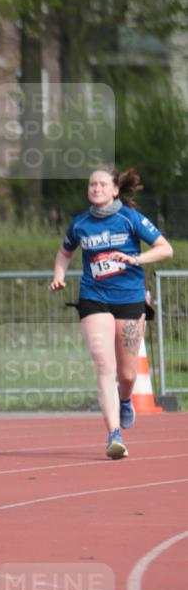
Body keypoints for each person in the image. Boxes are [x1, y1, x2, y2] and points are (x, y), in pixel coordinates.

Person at [49, 167, 173, 459]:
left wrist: (135, 258)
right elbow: (64, 253)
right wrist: (58, 275)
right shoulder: (80, 223)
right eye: (92, 184)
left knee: (127, 373)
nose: (96, 188)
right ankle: (114, 435)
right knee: (104, 365)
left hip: (129, 300)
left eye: (102, 184)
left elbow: (165, 249)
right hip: (94, 298)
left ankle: (125, 398)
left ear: (115, 190)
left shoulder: (129, 219)